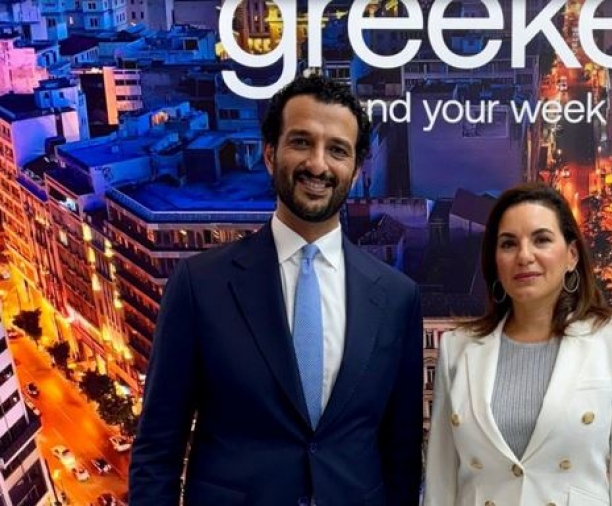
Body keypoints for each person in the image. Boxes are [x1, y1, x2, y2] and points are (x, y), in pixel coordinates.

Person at [129, 74, 423, 506]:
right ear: (270, 154)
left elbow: (402, 456)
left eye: (337, 150)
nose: (318, 165)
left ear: (357, 169)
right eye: (301, 142)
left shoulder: (397, 297)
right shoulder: (199, 284)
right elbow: (158, 449)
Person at [424, 183, 612, 505]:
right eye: (508, 244)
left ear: (571, 255)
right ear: (495, 261)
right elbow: (440, 482)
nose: (524, 256)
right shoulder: (457, 349)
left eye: (541, 239)